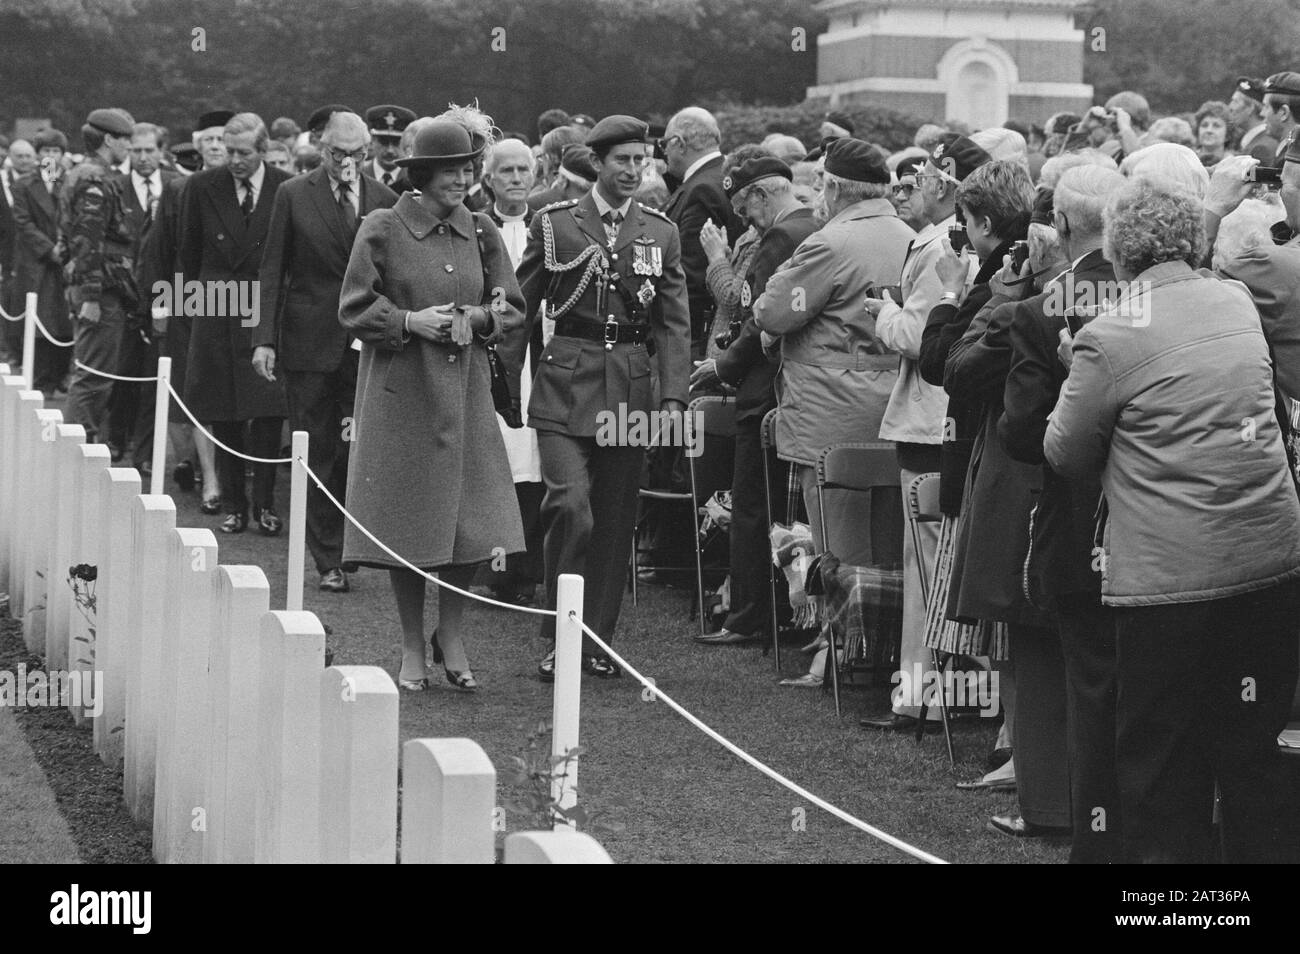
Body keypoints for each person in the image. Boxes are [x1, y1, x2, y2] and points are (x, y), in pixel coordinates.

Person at [1046, 178, 1300, 863]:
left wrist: (1077, 371)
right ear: (1192, 241)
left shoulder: (1107, 334)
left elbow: (1066, 452)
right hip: (1267, 559)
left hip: (1171, 579)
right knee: (1252, 752)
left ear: (1120, 251)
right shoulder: (1236, 298)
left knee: (1160, 761)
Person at [338, 118, 526, 692]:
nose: (463, 180)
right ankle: (411, 645)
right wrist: (406, 321)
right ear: (422, 175)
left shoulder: (483, 229)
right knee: (408, 522)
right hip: (403, 391)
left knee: (474, 519)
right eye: (451, 171)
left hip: (465, 391)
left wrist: (479, 318)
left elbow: (510, 307)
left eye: (469, 170)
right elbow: (352, 306)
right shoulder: (383, 225)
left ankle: (451, 632)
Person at [510, 114, 691, 681]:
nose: (636, 170)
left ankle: (594, 641)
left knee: (615, 518)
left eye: (643, 160)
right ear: (598, 163)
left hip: (631, 388)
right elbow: (519, 307)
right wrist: (501, 380)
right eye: (624, 160)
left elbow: (675, 323)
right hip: (565, 380)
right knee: (571, 506)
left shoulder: (661, 232)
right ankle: (560, 633)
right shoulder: (555, 222)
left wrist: (674, 398)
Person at [1000, 164, 1127, 860]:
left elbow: (1022, 434)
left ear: (1066, 224)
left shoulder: (1045, 307)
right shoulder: (1175, 296)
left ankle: (1101, 849)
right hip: (1173, 533)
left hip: (1083, 523)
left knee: (1094, 692)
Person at [940, 160, 1068, 841]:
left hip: (1025, 480)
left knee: (1027, 641)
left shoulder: (1031, 306)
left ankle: (1044, 795)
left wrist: (989, 295)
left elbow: (956, 369)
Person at [861, 134, 987, 732]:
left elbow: (920, 338)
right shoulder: (953, 241)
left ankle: (921, 697)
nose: (921, 184)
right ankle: (943, 693)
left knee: (928, 566)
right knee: (941, 563)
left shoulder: (944, 246)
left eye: (932, 174)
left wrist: (880, 312)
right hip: (944, 418)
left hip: (932, 417)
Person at [255, 109, 398, 592]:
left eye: (358, 154)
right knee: (315, 449)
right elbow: (272, 271)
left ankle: (350, 543)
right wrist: (264, 340)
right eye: (339, 153)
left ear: (369, 151)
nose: (347, 162)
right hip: (308, 342)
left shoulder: (385, 199)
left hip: (365, 344)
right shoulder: (293, 195)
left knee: (354, 448)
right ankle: (327, 557)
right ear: (322, 149)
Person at [752, 137, 912, 556]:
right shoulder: (912, 237)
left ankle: (841, 625)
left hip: (831, 416)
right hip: (895, 411)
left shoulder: (831, 242)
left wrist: (768, 308)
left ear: (837, 189)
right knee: (889, 554)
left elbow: (773, 313)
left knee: (838, 555)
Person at [690, 156, 819, 646]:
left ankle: (746, 617)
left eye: (747, 207)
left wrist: (723, 367)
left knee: (751, 506)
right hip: (787, 386)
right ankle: (777, 612)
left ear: (764, 194)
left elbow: (752, 309)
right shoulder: (813, 225)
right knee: (781, 510)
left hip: (762, 387)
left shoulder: (782, 237)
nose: (747, 218)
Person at [178, 112, 290, 535]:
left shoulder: (285, 187)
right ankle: (234, 504)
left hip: (264, 306)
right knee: (222, 409)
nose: (235, 160)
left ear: (263, 150)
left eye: (244, 152)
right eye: (229, 151)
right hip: (217, 308)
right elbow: (187, 253)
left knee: (266, 412)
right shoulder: (202, 186)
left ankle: (264, 504)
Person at [136, 108, 232, 509]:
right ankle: (208, 477)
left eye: (222, 139)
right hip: (187, 299)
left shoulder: (254, 190)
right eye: (208, 139)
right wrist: (159, 308)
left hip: (235, 300)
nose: (215, 146)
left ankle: (214, 471)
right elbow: (158, 251)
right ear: (197, 145)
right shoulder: (178, 189)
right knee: (191, 390)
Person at [480, 137, 545, 606]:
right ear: (489, 178)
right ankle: (488, 566)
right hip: (490, 357)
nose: (517, 179)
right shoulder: (478, 228)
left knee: (533, 463)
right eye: (507, 171)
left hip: (539, 360)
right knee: (494, 459)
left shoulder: (550, 227)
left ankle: (524, 571)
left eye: (524, 170)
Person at [60, 108, 135, 444]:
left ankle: (78, 443)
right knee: (94, 376)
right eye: (125, 140)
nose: (129, 147)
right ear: (109, 140)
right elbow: (86, 241)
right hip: (99, 291)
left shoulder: (85, 174)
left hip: (96, 287)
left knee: (90, 372)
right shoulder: (95, 180)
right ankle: (77, 447)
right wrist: (91, 296)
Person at [662, 106, 742, 360]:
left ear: (679, 143)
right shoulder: (724, 177)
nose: (663, 152)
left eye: (665, 143)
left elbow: (689, 274)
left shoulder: (701, 190)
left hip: (695, 334)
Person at [10, 129, 71, 396]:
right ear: (38, 154)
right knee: (40, 320)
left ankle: (61, 375)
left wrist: (66, 247)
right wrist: (50, 249)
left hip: (66, 259)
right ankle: (41, 379)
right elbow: (23, 223)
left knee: (65, 321)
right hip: (39, 261)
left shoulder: (69, 181)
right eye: (45, 151)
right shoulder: (23, 184)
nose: (50, 156)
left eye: (55, 151)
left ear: (62, 155)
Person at [364, 104, 416, 188]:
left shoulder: (415, 179)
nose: (390, 150)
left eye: (396, 143)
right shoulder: (359, 175)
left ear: (406, 142)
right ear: (372, 140)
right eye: (383, 142)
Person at [1228, 77, 1277, 163]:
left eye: (1235, 101)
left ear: (1251, 108)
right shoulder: (1254, 142)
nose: (1230, 107)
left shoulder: (1261, 149)